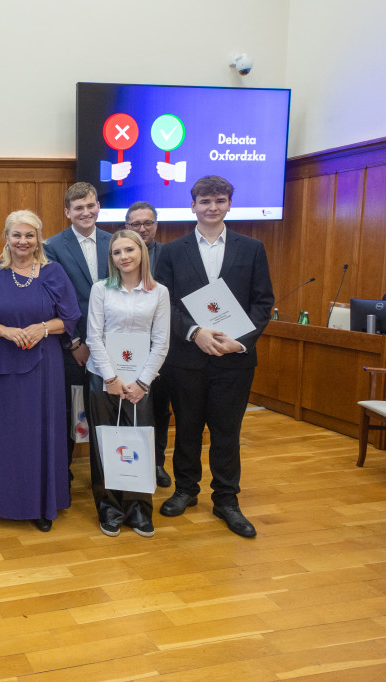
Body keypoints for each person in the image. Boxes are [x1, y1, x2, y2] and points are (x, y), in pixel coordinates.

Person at [156, 176, 274, 538]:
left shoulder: (252, 248)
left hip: (234, 360)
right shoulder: (171, 251)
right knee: (187, 428)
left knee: (226, 432)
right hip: (186, 359)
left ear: (229, 204)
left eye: (219, 200)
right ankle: (186, 490)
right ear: (192, 205)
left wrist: (240, 342)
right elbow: (164, 303)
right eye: (205, 201)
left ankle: (226, 499)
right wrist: (196, 332)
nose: (212, 207)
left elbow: (263, 302)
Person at [0, 209, 80, 531]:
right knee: (6, 437)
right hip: (1, 368)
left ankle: (40, 504)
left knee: (39, 434)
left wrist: (42, 328)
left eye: (30, 235)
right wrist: (4, 331)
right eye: (16, 234)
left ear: (38, 239)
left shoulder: (53, 272)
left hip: (43, 368)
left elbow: (70, 318)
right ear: (6, 237)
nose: (23, 241)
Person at [85, 229, 170, 537]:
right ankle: (109, 508)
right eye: (117, 252)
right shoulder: (101, 289)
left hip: (140, 382)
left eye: (129, 250)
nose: (123, 257)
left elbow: (161, 341)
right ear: (111, 258)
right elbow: (94, 337)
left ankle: (139, 510)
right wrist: (110, 378)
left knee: (139, 443)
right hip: (103, 379)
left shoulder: (159, 292)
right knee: (105, 444)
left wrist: (142, 383)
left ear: (141, 252)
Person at [44, 183, 112, 478]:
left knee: (106, 412)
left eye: (90, 205)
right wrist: (74, 343)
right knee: (68, 412)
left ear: (98, 207)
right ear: (67, 212)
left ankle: (107, 476)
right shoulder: (52, 246)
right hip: (73, 348)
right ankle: (63, 476)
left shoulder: (115, 241)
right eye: (79, 208)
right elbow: (52, 300)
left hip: (111, 346)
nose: (86, 212)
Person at [125, 201, 172, 489]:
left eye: (147, 223)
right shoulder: (119, 255)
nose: (142, 228)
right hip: (125, 349)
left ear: (156, 224)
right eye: (136, 224)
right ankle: (128, 464)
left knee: (160, 410)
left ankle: (156, 462)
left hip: (161, 349)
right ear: (127, 226)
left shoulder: (170, 254)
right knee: (129, 408)